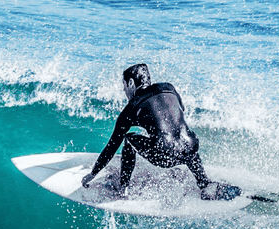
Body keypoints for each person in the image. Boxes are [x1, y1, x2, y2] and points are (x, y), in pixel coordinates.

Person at [81, 64, 240, 201]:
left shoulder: (132, 108)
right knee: (182, 137)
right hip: (191, 149)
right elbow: (180, 110)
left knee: (128, 139)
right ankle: (205, 184)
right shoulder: (168, 88)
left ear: (131, 83)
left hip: (164, 156)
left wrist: (93, 174)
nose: (124, 91)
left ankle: (123, 188)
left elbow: (112, 146)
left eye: (124, 86)